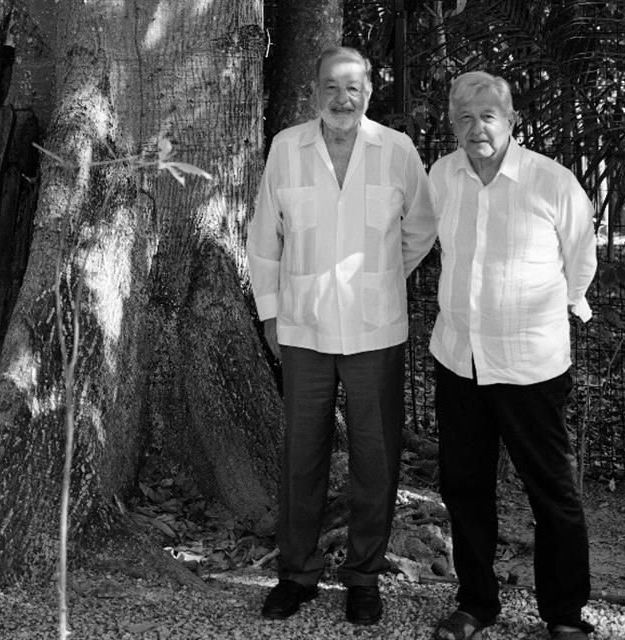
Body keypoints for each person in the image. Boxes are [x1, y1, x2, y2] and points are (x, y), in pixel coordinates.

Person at [246, 46, 436, 626]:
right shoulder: (287, 148)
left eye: (352, 87)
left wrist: (378, 279)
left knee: (374, 459)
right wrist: (272, 314)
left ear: (369, 91)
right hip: (303, 329)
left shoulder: (397, 151)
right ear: (314, 92)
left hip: (376, 330)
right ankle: (297, 575)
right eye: (331, 86)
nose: (341, 98)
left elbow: (421, 228)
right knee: (302, 456)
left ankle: (363, 578)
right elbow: (263, 238)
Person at [428, 71, 598, 640]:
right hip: (458, 359)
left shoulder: (551, 182)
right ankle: (476, 603)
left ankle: (565, 614)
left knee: (550, 489)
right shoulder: (442, 176)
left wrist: (559, 309)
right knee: (464, 485)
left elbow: (581, 261)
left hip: (530, 365)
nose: (478, 128)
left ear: (511, 121)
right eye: (465, 118)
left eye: (489, 116)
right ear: (452, 124)